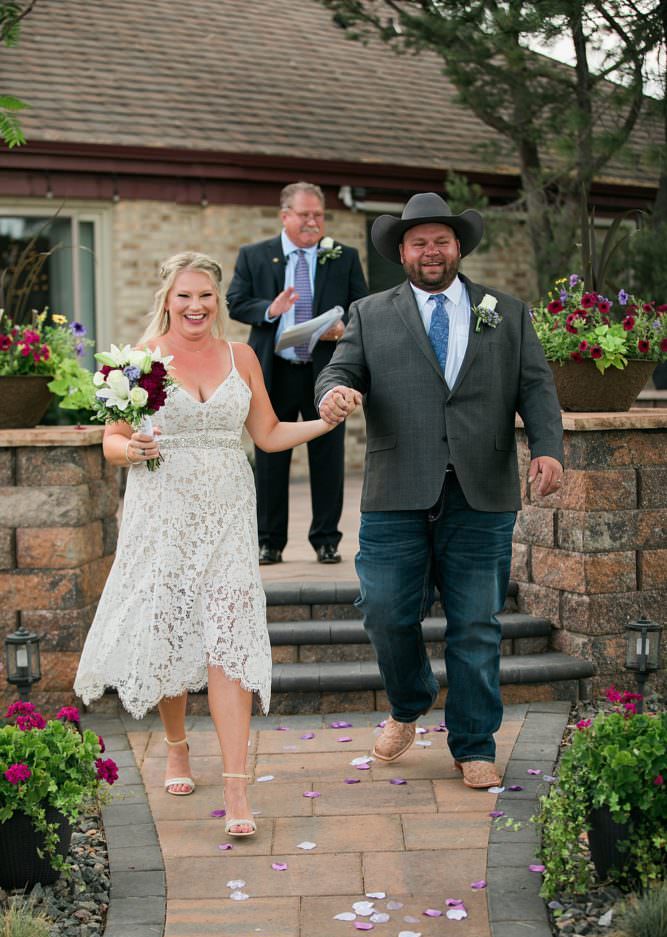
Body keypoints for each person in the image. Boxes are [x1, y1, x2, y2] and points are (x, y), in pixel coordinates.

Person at [74, 251, 357, 836]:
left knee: (228, 639)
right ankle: (176, 746)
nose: (195, 306)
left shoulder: (244, 356)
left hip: (229, 514)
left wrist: (326, 423)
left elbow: (270, 434)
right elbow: (112, 441)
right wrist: (134, 451)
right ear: (167, 298)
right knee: (173, 627)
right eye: (184, 296)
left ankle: (236, 789)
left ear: (218, 300)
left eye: (205, 295)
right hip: (162, 513)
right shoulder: (139, 360)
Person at [315, 192, 564, 789]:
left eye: (441, 241)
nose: (431, 251)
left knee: (476, 622)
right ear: (401, 252)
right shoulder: (371, 313)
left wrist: (550, 448)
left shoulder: (506, 311)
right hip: (397, 488)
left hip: (482, 489)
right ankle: (410, 699)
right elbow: (340, 369)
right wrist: (333, 392)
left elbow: (536, 387)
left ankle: (474, 743)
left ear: (458, 247)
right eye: (418, 242)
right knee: (383, 611)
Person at [226, 181, 368, 565]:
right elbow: (235, 302)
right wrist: (270, 310)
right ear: (285, 216)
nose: (312, 222)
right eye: (304, 215)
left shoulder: (343, 256)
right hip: (274, 371)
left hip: (324, 370)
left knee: (328, 455)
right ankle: (269, 541)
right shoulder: (256, 256)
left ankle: (326, 539)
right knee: (270, 457)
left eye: (318, 215)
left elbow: (361, 308)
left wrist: (342, 330)